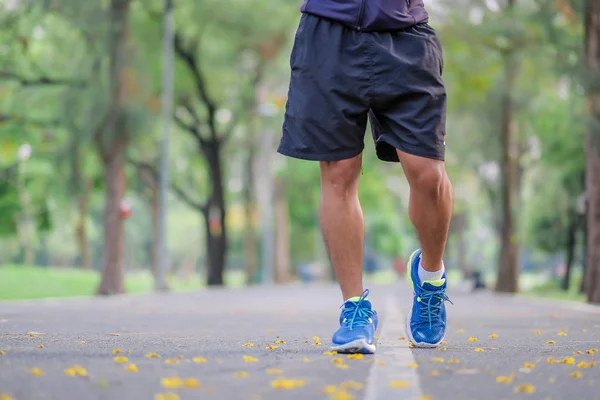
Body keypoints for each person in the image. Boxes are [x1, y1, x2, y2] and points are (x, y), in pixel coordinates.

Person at [277, 0, 453, 353]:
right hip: (328, 33)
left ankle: (431, 277)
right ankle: (354, 308)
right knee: (339, 171)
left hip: (405, 33)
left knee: (426, 172)